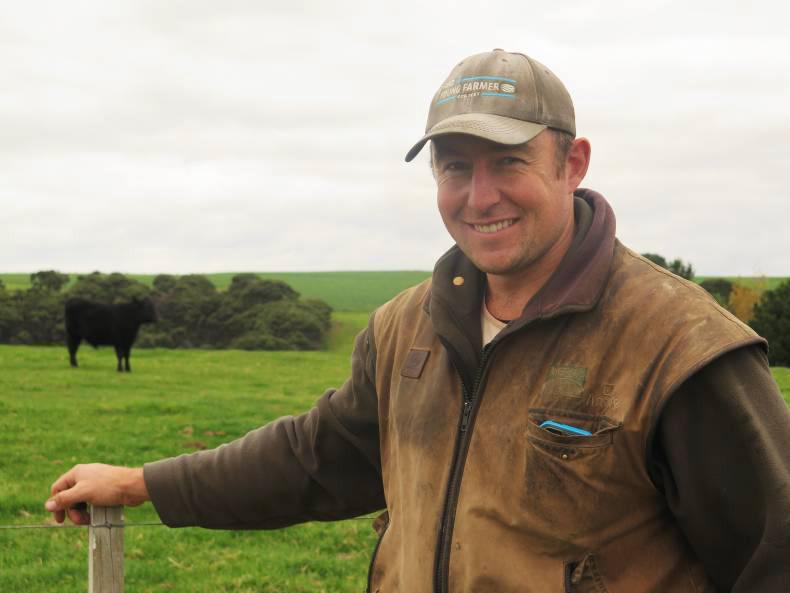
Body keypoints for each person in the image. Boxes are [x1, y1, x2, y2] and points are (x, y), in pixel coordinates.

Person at [46, 49, 790, 593]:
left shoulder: (681, 347)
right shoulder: (410, 327)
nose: (479, 195)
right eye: (454, 166)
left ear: (573, 163)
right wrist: (144, 483)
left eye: (509, 163)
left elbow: (773, 556)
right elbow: (316, 456)